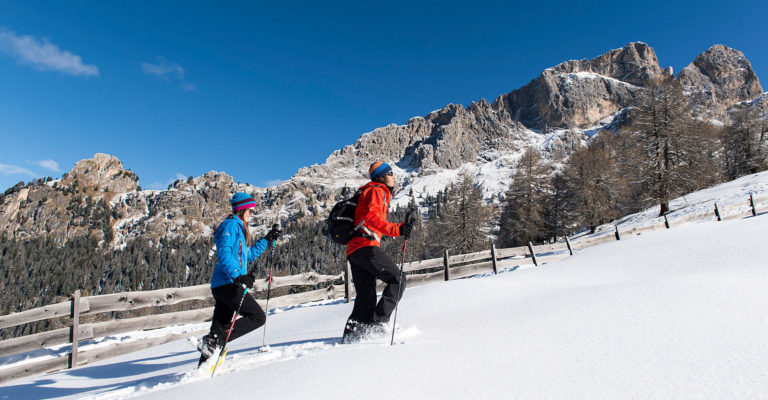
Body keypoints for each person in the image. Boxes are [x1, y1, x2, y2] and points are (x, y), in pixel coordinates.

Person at [195, 192, 281, 365]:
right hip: (228, 284)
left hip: (224, 285)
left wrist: (266, 240)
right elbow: (224, 254)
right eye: (250, 210)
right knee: (258, 317)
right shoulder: (230, 226)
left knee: (220, 327)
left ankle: (204, 365)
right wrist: (238, 276)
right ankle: (214, 340)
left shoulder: (239, 228)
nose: (252, 214)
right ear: (241, 210)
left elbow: (247, 256)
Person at [342, 161, 414, 343]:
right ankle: (378, 323)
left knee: (366, 296)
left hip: (354, 250)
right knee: (397, 279)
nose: (393, 177)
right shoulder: (377, 190)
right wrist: (399, 229)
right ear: (381, 176)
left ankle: (353, 335)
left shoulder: (368, 190)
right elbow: (372, 219)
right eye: (390, 173)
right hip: (365, 246)